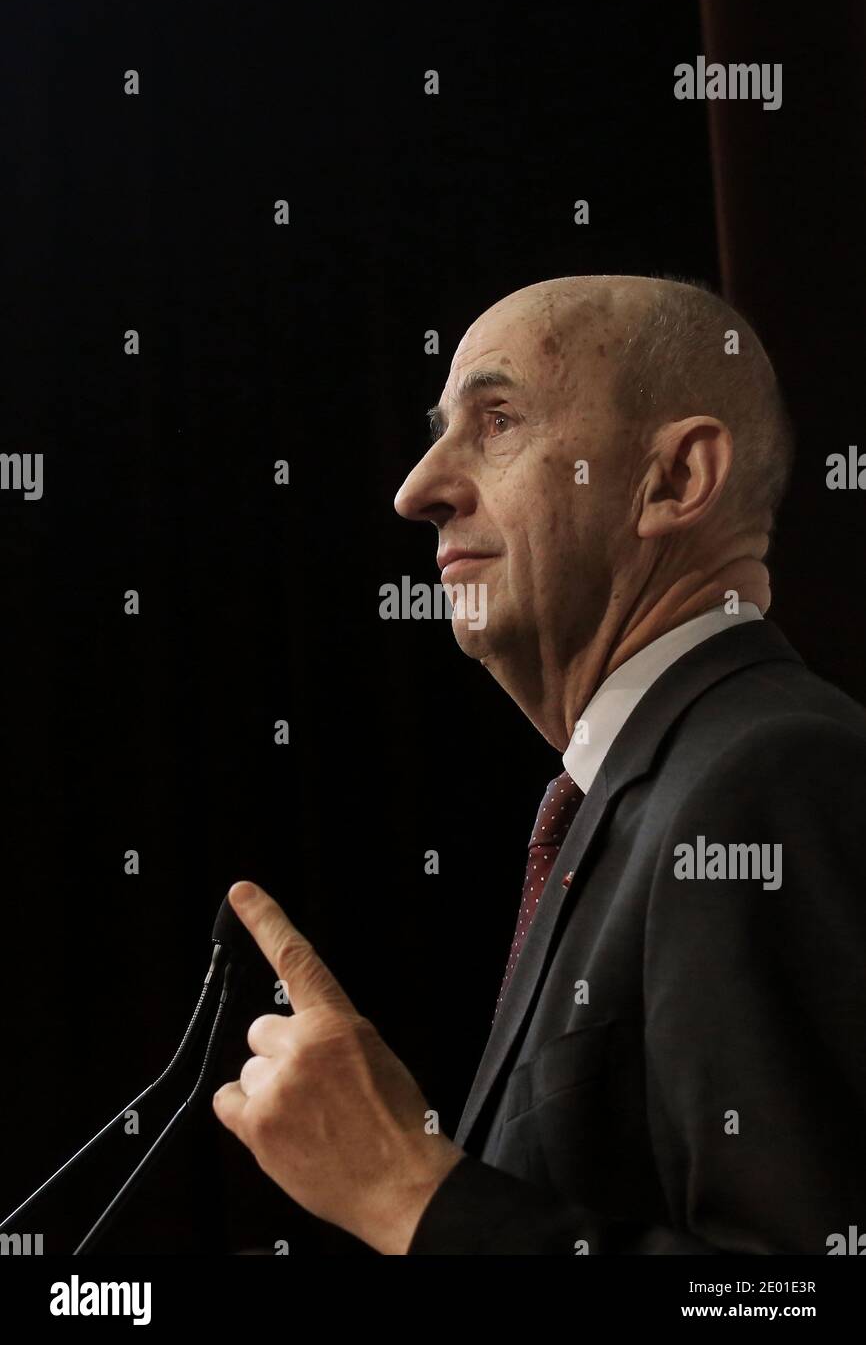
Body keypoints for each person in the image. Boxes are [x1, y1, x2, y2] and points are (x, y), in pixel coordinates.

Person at [213, 275, 866, 1254]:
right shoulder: (633, 798)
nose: (415, 489)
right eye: (441, 427)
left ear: (674, 481)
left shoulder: (764, 777)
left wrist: (409, 1194)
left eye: (497, 418)